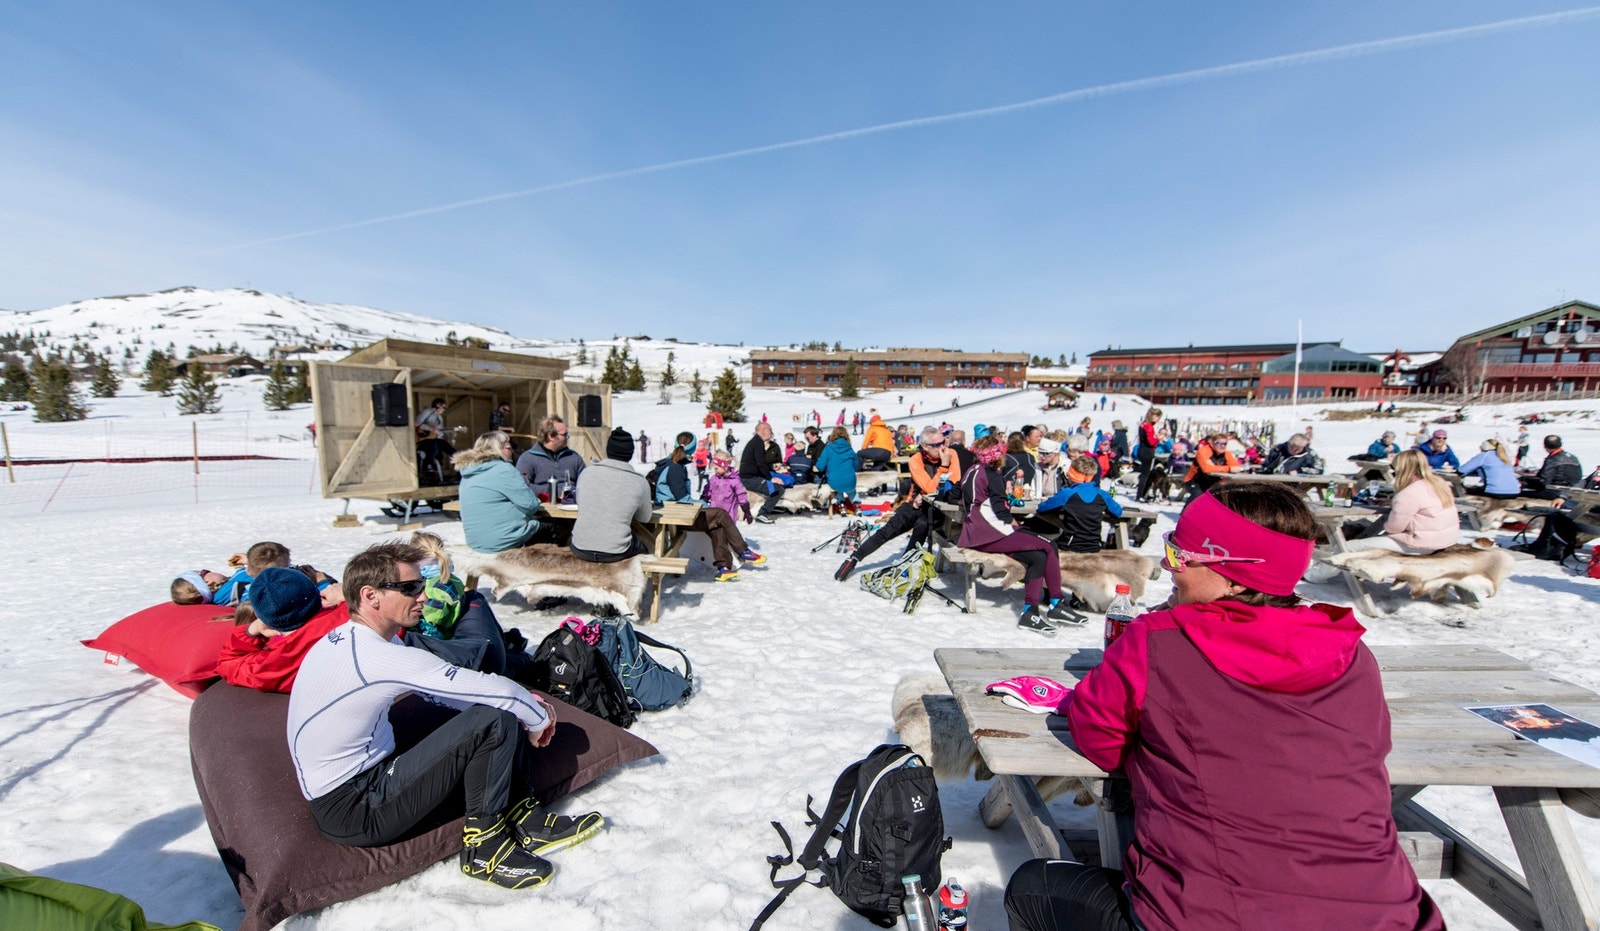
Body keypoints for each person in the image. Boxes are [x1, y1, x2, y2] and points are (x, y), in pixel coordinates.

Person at [1004, 483, 1443, 931]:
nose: (1168, 566)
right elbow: (1368, 749)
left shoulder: (1158, 643)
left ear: (1232, 573)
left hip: (1213, 915)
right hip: (1391, 914)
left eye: (1180, 555)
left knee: (1033, 887)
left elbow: (1098, 738)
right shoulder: (1349, 650)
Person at [286, 541, 603, 890]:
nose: (423, 596)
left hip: (354, 786)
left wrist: (519, 706)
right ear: (370, 595)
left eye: (422, 585)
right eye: (410, 588)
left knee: (495, 711)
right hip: (356, 808)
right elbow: (485, 689)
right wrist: (536, 716)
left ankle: (524, 818)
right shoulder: (377, 656)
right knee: (493, 718)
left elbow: (443, 693)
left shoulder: (353, 638)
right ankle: (484, 848)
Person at [958, 435, 1079, 633]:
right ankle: (1056, 603)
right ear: (997, 455)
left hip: (976, 531)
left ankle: (1030, 612)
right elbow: (1002, 512)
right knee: (1049, 545)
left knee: (1038, 556)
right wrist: (1017, 527)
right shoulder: (992, 475)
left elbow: (957, 495)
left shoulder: (972, 470)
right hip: (991, 531)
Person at [835, 427, 959, 581]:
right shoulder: (916, 460)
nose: (943, 448)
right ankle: (854, 558)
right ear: (925, 446)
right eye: (937, 445)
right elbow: (930, 487)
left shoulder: (951, 455)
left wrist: (943, 467)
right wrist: (937, 479)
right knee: (888, 530)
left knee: (921, 525)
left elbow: (953, 483)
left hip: (937, 509)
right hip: (914, 504)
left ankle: (903, 566)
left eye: (944, 442)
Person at [656, 431, 763, 581]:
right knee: (720, 514)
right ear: (693, 448)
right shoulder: (674, 468)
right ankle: (743, 550)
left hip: (678, 512)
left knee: (717, 524)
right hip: (674, 516)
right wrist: (703, 504)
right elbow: (682, 498)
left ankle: (723, 568)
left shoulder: (676, 465)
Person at [1343, 449, 1458, 555]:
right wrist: (1394, 503)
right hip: (1445, 539)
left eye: (1394, 468)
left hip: (1421, 543)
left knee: (1349, 546)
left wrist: (1397, 505)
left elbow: (1393, 528)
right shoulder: (1438, 484)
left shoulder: (1409, 493)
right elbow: (1424, 504)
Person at [568, 428, 652, 562]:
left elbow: (581, 503)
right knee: (646, 546)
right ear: (630, 453)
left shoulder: (586, 473)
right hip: (616, 551)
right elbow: (645, 518)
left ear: (608, 451)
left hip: (580, 547)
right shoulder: (640, 482)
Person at [457, 432, 543, 553]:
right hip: (505, 541)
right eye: (508, 447)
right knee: (556, 528)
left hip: (476, 542)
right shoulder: (503, 469)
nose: (512, 451)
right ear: (498, 449)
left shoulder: (467, 473)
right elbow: (530, 506)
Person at [1035, 455, 1122, 553]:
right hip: (1094, 546)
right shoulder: (1102, 495)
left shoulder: (1067, 493)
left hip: (1069, 545)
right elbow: (1118, 512)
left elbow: (1042, 508)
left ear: (1071, 474)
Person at [515, 415, 584, 505]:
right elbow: (522, 486)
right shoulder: (527, 459)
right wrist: (554, 492)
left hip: (573, 507)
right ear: (551, 436)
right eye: (564, 435)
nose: (568, 437)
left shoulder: (574, 457)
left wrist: (573, 493)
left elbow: (586, 482)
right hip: (544, 510)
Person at [739, 422, 785, 524]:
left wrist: (771, 466)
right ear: (763, 430)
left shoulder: (756, 441)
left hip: (751, 477)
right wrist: (771, 478)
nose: (771, 432)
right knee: (777, 490)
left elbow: (759, 462)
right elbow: (760, 463)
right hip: (749, 478)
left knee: (778, 488)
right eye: (770, 430)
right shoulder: (757, 442)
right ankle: (762, 514)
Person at [1521, 434, 1584, 502]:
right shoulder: (1572, 457)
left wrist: (1525, 482)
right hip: (1572, 490)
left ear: (1545, 446)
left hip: (1556, 491)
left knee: (1520, 493)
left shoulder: (1552, 459)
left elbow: (1544, 481)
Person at [812, 426, 860, 510]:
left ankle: (841, 503)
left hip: (834, 480)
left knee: (837, 487)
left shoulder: (829, 448)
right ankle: (856, 503)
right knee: (851, 490)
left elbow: (820, 466)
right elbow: (856, 465)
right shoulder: (849, 449)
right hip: (850, 479)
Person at [415, 397, 456, 474]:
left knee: (452, 451)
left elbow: (439, 431)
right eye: (443, 407)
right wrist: (431, 429)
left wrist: (450, 432)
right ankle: (426, 465)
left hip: (435, 439)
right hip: (423, 438)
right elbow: (417, 424)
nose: (444, 409)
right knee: (434, 449)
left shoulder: (439, 418)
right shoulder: (427, 412)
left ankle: (459, 469)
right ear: (438, 405)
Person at [1133, 407, 1163, 502]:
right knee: (1145, 474)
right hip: (1147, 451)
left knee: (1145, 474)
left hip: (1142, 449)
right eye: (1158, 417)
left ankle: (1142, 493)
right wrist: (1158, 438)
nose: (1158, 419)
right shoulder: (1149, 427)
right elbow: (1151, 442)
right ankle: (1140, 495)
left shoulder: (1143, 425)